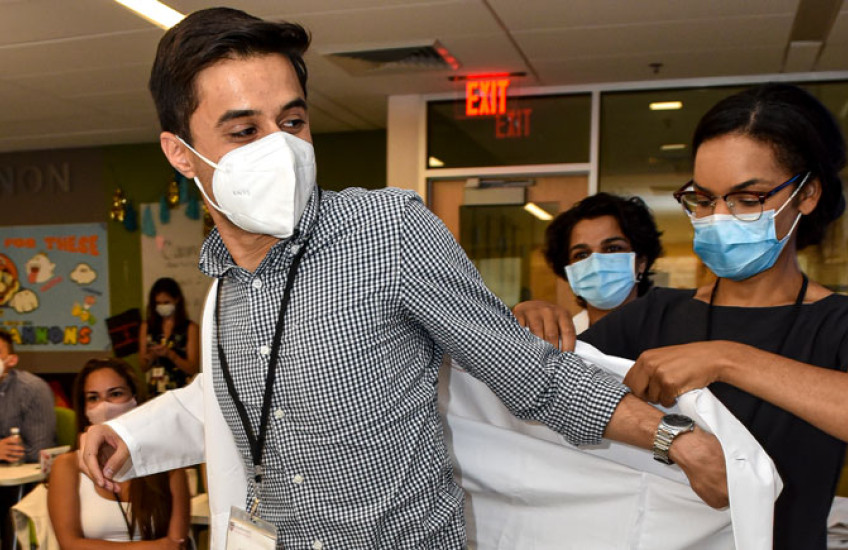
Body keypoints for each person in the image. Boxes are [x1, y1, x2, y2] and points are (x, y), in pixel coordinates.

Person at [79, 8, 727, 550]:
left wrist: (678, 441)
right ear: (179, 152)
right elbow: (231, 399)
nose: (280, 146)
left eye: (294, 121)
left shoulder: (385, 232)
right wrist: (129, 433)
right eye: (245, 130)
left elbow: (534, 377)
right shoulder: (226, 292)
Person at [517, 83, 848, 549]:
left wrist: (729, 360)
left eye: (747, 199)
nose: (719, 217)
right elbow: (545, 382)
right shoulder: (654, 316)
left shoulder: (834, 324)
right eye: (704, 199)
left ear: (807, 194)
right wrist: (529, 321)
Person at [48, 358, 189, 548]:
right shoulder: (66, 466)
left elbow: (176, 543)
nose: (104, 405)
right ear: (84, 409)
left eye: (115, 394)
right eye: (93, 398)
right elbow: (70, 544)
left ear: (135, 398)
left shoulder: (167, 460)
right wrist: (155, 547)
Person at [543, 192, 662, 332]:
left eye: (612, 248)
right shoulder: (556, 345)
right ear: (569, 272)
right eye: (581, 254)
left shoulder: (674, 335)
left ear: (641, 262)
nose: (596, 264)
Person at [0, 328, 56, 547]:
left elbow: (40, 451)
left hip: (24, 484)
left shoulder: (33, 389)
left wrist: (10, 453)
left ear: (11, 360)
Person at [138, 278, 199, 395]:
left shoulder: (190, 328)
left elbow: (193, 368)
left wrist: (170, 354)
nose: (162, 307)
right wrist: (152, 356)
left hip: (183, 391)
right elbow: (143, 367)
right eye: (158, 303)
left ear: (176, 300)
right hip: (156, 391)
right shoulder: (147, 327)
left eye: (166, 302)